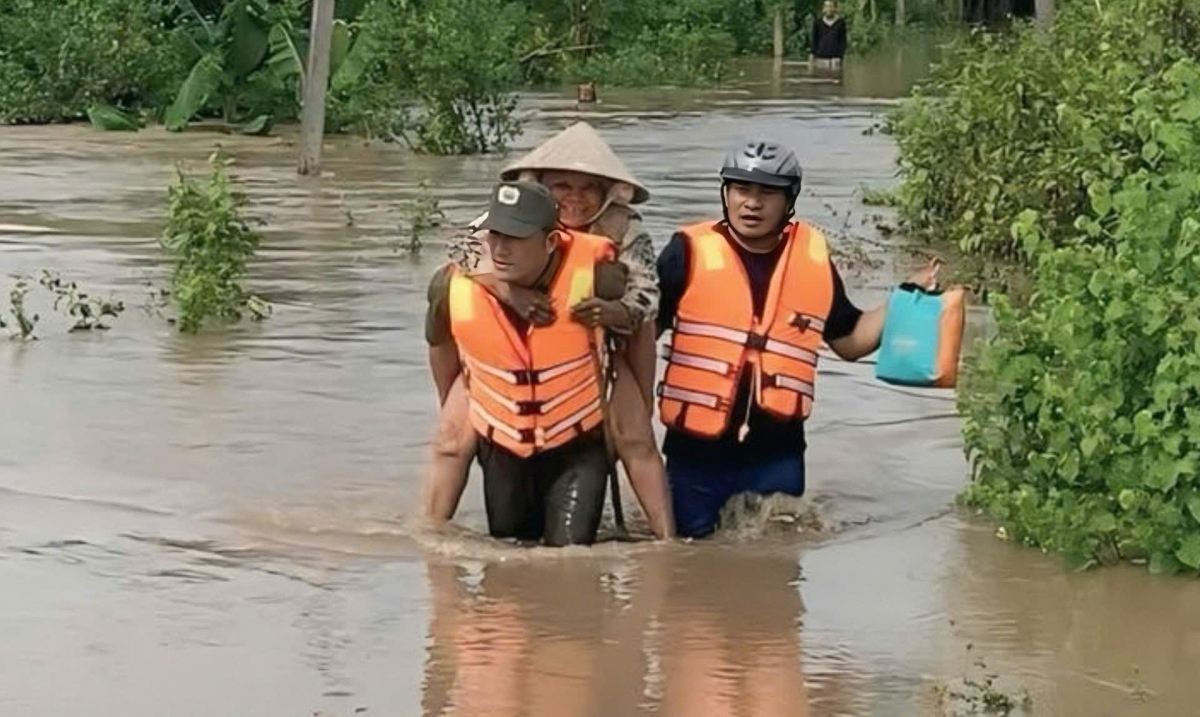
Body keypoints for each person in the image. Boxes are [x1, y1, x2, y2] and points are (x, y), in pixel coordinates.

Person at [654, 140, 938, 539]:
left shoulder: (813, 261)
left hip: (778, 453)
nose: (752, 203)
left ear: (789, 200)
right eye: (741, 189)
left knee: (777, 577)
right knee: (688, 569)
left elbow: (851, 341)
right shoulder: (685, 253)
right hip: (695, 454)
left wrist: (902, 298)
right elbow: (640, 333)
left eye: (766, 192)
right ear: (726, 194)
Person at [425, 121, 674, 540]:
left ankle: (668, 541)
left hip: (598, 342)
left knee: (635, 436)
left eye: (587, 189)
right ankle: (430, 537)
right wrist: (508, 292)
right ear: (541, 186)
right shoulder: (506, 214)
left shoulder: (622, 230)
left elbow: (646, 301)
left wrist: (613, 312)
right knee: (451, 437)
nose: (575, 199)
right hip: (503, 349)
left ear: (606, 193)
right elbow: (456, 257)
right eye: (563, 187)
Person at [809, 0, 848, 70]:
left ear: (835, 8)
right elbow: (814, 41)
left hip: (836, 59)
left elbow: (843, 41)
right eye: (826, 7)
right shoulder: (817, 23)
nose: (828, 9)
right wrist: (811, 57)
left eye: (830, 6)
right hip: (821, 58)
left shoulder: (840, 23)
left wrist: (842, 57)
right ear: (823, 9)